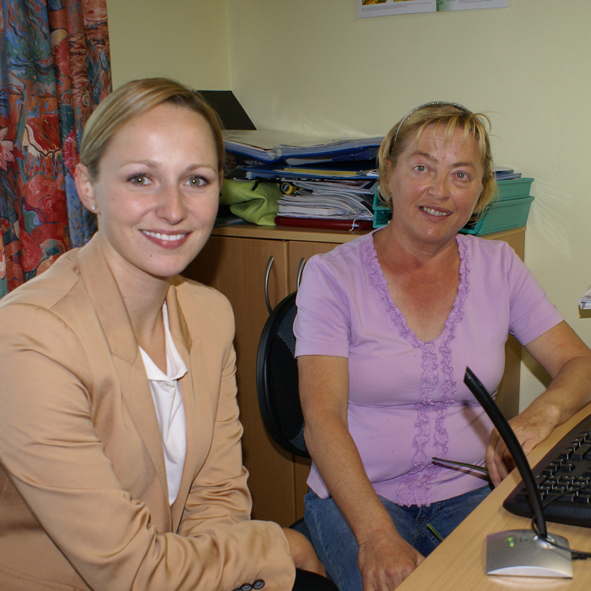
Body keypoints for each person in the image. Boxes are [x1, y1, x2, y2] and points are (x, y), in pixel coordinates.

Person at [0, 78, 336, 591]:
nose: (174, 209)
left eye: (196, 180)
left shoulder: (208, 313)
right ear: (86, 185)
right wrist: (273, 545)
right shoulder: (29, 339)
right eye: (141, 179)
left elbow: (217, 493)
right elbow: (128, 571)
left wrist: (229, 564)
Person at [293, 102, 591, 591]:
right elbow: (321, 416)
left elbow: (579, 362)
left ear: (480, 192)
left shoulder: (500, 267)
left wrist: (542, 414)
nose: (439, 191)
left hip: (473, 493)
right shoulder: (332, 277)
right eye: (422, 168)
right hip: (360, 501)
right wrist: (375, 536)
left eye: (460, 175)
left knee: (552, 583)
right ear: (388, 176)